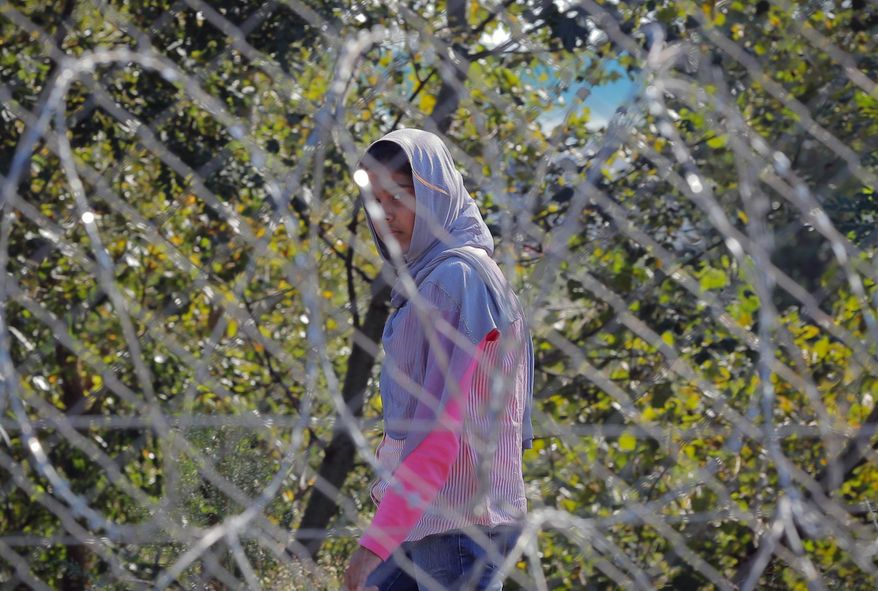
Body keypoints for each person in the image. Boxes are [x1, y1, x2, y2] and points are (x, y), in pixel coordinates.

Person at [343, 129, 534, 591]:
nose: (384, 213)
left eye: (400, 195)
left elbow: (437, 435)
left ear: (439, 194)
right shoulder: (437, 278)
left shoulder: (455, 280)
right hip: (440, 527)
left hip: (457, 535)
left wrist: (373, 548)